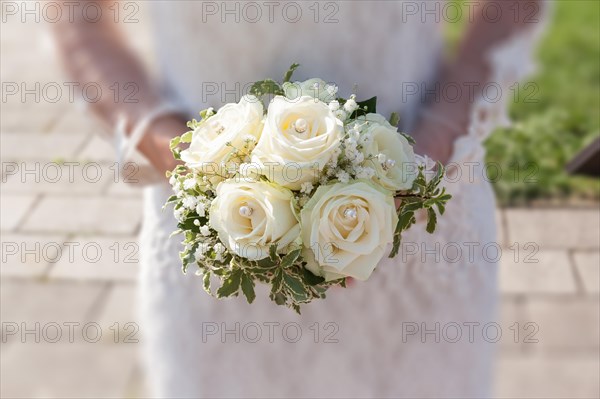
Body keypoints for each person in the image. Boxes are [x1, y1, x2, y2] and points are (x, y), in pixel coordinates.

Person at [53, 1, 546, 397]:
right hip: (214, 251)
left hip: (422, 237)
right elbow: (80, 20)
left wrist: (431, 150)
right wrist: (178, 155)